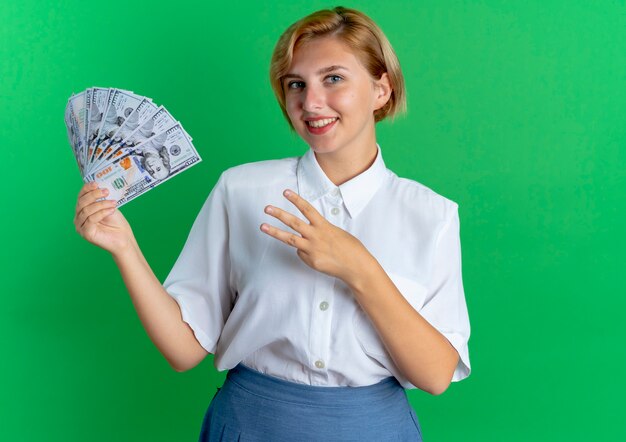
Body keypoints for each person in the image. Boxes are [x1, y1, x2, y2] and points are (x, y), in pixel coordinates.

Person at [73, 6, 471, 441]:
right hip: (251, 425)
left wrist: (359, 268)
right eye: (295, 84)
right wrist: (125, 248)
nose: (311, 102)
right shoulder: (240, 191)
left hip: (375, 429)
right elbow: (184, 350)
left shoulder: (431, 214)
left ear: (381, 89)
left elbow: (435, 376)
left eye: (333, 78)